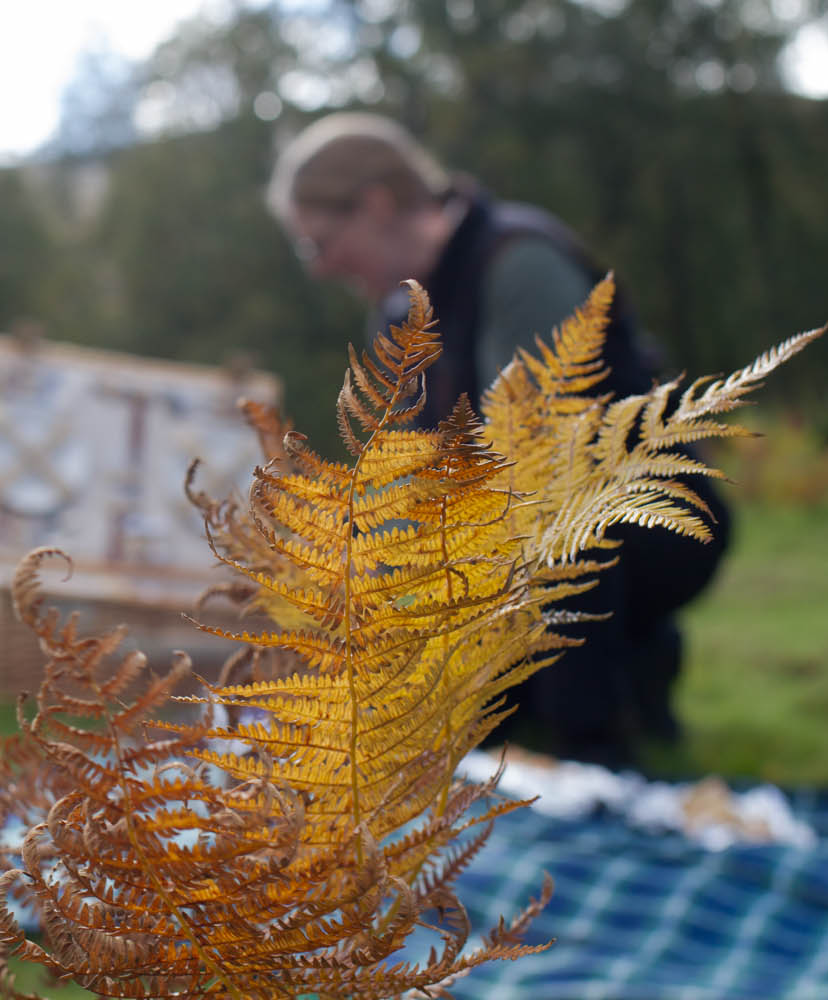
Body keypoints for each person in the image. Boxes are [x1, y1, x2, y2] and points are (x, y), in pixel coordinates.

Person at [266, 111, 730, 766]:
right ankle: (607, 683)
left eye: (318, 243)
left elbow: (536, 458)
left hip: (653, 524)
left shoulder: (519, 263)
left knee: (538, 519)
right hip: (508, 544)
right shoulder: (397, 315)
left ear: (376, 205)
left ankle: (595, 752)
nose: (317, 269)